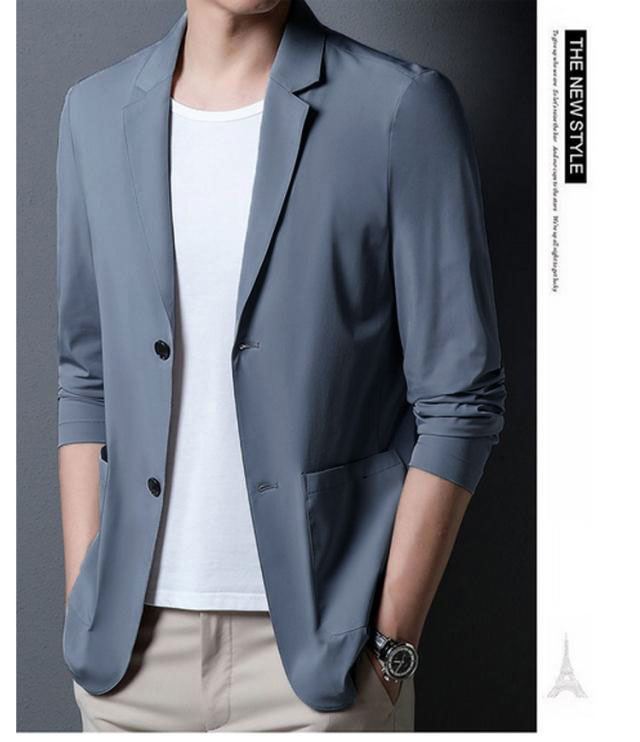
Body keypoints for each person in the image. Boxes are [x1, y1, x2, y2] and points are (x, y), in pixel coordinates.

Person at [56, 0, 506, 732]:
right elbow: (86, 375)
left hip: (324, 666)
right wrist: (85, 592)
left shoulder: (399, 108)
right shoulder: (94, 113)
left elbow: (462, 399)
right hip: (127, 666)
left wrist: (390, 645)